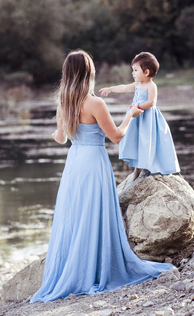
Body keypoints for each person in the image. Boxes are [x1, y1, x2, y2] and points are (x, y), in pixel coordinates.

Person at [30, 50, 173, 303]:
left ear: (67, 74)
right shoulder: (95, 103)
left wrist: (58, 130)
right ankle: (95, 268)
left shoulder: (63, 101)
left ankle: (74, 268)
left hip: (74, 164)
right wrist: (130, 115)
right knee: (95, 214)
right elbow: (117, 136)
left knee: (76, 216)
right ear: (89, 73)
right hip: (94, 163)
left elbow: (61, 138)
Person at [100, 52, 180, 181]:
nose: (133, 73)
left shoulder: (151, 85)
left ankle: (148, 167)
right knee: (135, 140)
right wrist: (110, 89)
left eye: (135, 70)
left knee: (146, 141)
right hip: (136, 118)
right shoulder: (137, 84)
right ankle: (137, 168)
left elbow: (152, 102)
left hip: (147, 118)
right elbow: (124, 87)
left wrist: (138, 107)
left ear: (146, 72)